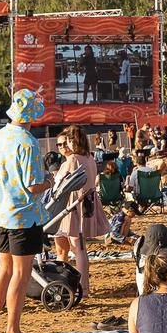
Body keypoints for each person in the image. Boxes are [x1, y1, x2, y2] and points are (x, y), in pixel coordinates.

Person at [0, 89, 53, 333]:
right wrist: (49, 182)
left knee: (3, 271)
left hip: (1, 212)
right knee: (20, 274)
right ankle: (13, 330)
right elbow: (32, 186)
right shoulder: (28, 142)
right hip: (23, 215)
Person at [52, 126, 107, 296]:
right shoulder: (89, 157)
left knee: (77, 248)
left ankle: (81, 287)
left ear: (72, 140)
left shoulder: (73, 159)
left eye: (66, 141)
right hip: (86, 204)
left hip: (72, 206)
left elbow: (58, 184)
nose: (64, 146)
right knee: (75, 248)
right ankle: (81, 286)